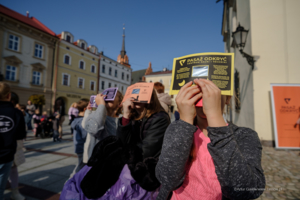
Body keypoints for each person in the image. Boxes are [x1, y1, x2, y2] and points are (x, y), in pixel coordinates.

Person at [155, 79, 266, 200]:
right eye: (197, 92)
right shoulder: (177, 129)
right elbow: (167, 180)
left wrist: (214, 116)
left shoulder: (244, 136)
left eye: (212, 91)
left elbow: (247, 190)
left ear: (228, 98)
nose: (205, 98)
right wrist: (184, 121)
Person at [0, 82, 26, 199]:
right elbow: (21, 135)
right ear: (9, 95)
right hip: (6, 153)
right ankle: (14, 193)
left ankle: (15, 192)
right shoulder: (16, 113)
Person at [82, 90, 123, 163]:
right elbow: (93, 129)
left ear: (119, 103)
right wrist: (101, 106)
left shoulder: (122, 119)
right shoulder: (94, 115)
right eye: (105, 94)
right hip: (97, 161)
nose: (106, 97)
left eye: (111, 95)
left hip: (115, 161)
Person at [69, 99, 89, 178]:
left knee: (81, 165)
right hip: (82, 148)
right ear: (85, 109)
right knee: (80, 166)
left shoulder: (76, 119)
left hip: (79, 147)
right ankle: (71, 181)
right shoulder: (82, 121)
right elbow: (85, 136)